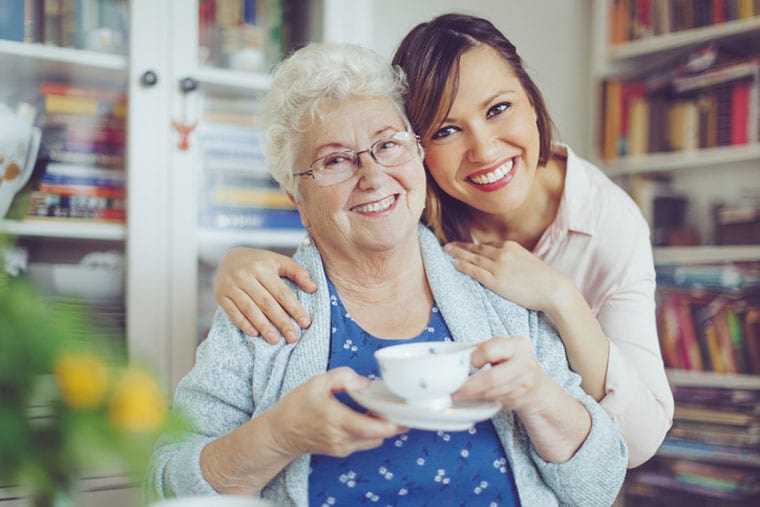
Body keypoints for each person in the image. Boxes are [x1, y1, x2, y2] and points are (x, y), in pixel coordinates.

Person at [146, 42, 627, 506]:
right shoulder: (265, 309)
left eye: (388, 145)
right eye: (335, 160)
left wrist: (539, 396)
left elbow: (599, 484)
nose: (372, 175)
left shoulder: (497, 290)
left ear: (418, 155)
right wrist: (277, 435)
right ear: (298, 198)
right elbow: (166, 483)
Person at [212, 13, 673, 468]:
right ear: (416, 145)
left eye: (498, 109)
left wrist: (561, 297)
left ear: (533, 102)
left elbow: (636, 441)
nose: (485, 150)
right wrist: (235, 260)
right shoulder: (411, 196)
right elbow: (331, 206)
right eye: (446, 130)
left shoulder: (607, 221)